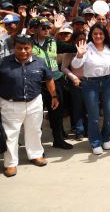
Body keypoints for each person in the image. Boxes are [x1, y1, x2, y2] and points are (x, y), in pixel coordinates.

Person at [0, 35, 59, 177]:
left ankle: (35, 155)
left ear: (32, 49)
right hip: (10, 104)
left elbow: (49, 79)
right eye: (19, 48)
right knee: (11, 134)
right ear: (14, 49)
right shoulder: (3, 63)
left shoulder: (40, 62)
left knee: (34, 130)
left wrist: (54, 96)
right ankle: (10, 164)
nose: (23, 51)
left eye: (26, 48)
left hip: (34, 102)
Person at [71, 24, 110, 155]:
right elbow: (75, 65)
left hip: (107, 82)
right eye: (95, 34)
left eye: (101, 33)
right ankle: (95, 142)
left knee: (109, 112)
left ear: (105, 35)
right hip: (90, 84)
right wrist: (79, 55)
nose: (98, 36)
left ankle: (105, 138)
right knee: (94, 115)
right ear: (91, 35)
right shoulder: (86, 48)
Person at [31, 17, 75, 150]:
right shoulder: (28, 43)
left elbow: (71, 47)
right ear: (35, 29)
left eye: (48, 28)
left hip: (55, 81)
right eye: (43, 28)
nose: (46, 30)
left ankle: (58, 139)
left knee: (56, 112)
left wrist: (86, 45)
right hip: (37, 82)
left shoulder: (53, 41)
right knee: (36, 114)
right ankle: (35, 145)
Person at [61, 32, 88, 140]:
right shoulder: (70, 53)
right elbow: (64, 67)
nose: (81, 42)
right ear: (74, 41)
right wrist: (74, 77)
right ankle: (79, 131)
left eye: (84, 39)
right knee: (78, 107)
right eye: (79, 40)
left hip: (90, 82)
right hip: (76, 82)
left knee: (88, 107)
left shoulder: (90, 51)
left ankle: (88, 130)